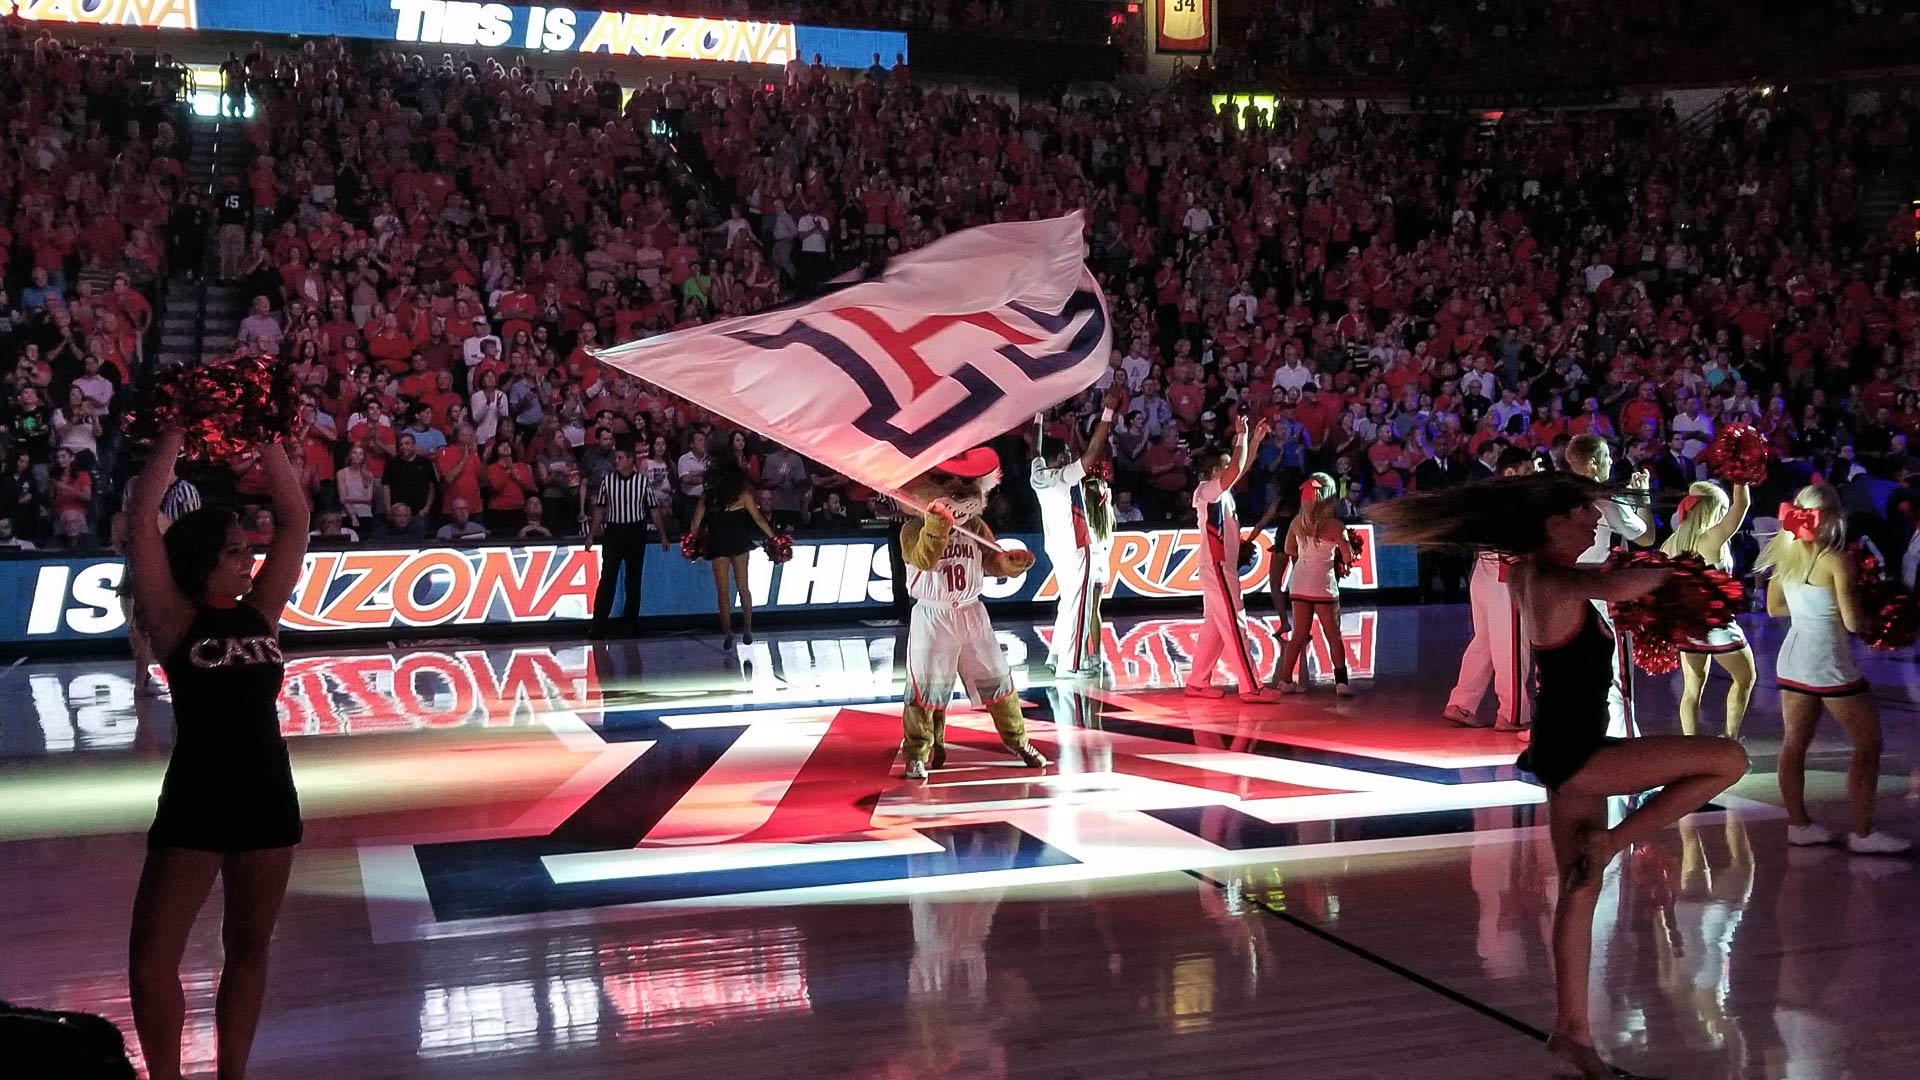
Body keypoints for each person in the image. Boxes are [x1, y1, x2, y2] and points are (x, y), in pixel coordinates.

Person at [1369, 472, 1748, 1079]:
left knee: (1579, 884)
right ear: (1553, 524)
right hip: (1581, 754)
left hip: (1561, 750)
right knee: (1728, 760)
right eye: (1585, 515)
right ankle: (1615, 842)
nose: (1596, 524)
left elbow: (1612, 589)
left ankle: (1572, 1032)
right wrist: (1686, 575)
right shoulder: (1550, 578)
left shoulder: (1531, 574)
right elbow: (1623, 581)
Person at [125, 428, 310, 1080]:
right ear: (203, 560)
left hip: (267, 794)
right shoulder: (174, 619)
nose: (250, 561)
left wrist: (268, 439)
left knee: (249, 951)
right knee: (151, 960)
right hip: (198, 797)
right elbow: (141, 524)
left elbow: (295, 519)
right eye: (235, 552)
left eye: (248, 550)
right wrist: (173, 430)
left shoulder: (261, 612)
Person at [1755, 484, 1910, 854]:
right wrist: (1884, 619)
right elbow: (1855, 623)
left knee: (1794, 744)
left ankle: (1799, 825)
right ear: (1836, 517)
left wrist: (1810, 609)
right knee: (1868, 744)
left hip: (1794, 657)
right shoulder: (1837, 560)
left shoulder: (1786, 553)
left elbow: (1775, 608)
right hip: (1828, 660)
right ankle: (1862, 833)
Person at [897, 447, 1047, 779]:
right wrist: (936, 528)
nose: (957, 492)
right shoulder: (911, 529)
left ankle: (1018, 740)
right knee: (926, 688)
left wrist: (1009, 565)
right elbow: (924, 560)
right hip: (933, 616)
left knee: (998, 679)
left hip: (972, 612)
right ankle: (919, 751)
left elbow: (991, 561)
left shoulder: (976, 525)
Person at [1186, 415, 1284, 703]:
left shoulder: (1221, 489)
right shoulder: (1207, 491)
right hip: (1217, 568)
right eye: (1228, 465)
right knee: (1236, 622)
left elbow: (1242, 467)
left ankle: (1197, 682)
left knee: (1215, 627)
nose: (1234, 470)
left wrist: (1253, 439)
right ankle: (1250, 686)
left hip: (1220, 566)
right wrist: (1241, 437)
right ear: (1216, 470)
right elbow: (1236, 470)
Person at [1030, 386, 1122, 676]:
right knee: (1079, 606)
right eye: (1068, 453)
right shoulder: (1063, 476)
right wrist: (1107, 412)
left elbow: (1035, 447)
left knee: (1068, 602)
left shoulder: (1037, 474)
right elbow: (1093, 452)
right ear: (1060, 458)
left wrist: (1038, 419)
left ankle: (1057, 656)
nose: (1072, 456)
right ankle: (1072, 664)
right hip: (1076, 546)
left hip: (1056, 547)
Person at [1444, 446, 1538, 730]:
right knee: (1512, 645)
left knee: (1484, 642)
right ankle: (1513, 713)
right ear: (1510, 472)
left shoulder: (1487, 496)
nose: (1533, 477)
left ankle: (1461, 703)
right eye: (1528, 472)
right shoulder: (1513, 500)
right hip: (1504, 573)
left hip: (1483, 572)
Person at [1567, 433, 1652, 738]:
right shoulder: (1602, 497)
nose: (1612, 460)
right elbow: (1645, 536)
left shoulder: (1560, 495)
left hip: (1565, 594)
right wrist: (1642, 499)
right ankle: (1629, 755)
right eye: (1606, 456)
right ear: (1592, 464)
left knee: (1572, 675)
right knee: (1618, 678)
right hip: (1602, 597)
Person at [1661, 480, 1755, 739]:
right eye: (1723, 509)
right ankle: (1730, 738)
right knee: (1746, 678)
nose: (1726, 515)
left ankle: (1692, 747)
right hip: (1718, 626)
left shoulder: (1670, 544)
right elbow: (1743, 505)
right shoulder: (1712, 538)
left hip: (1687, 627)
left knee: (1691, 690)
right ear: (1712, 509)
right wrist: (1740, 475)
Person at [1272, 473, 1357, 696]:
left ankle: (1285, 681)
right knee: (1333, 635)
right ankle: (1341, 683)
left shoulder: (1296, 523)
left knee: (1298, 634)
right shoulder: (1336, 526)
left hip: (1299, 584)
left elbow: (1289, 550)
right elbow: (1348, 557)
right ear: (1329, 499)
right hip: (1323, 585)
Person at [685, 455, 777, 650]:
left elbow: (695, 524)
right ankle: (747, 630)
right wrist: (773, 538)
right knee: (744, 587)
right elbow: (759, 519)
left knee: (723, 593)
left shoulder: (708, 497)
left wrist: (691, 544)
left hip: (718, 545)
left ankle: (727, 632)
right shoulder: (743, 495)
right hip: (739, 544)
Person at [589, 446, 649, 639]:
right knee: (607, 579)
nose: (616, 461)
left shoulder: (642, 482)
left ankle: (630, 624)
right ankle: (598, 625)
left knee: (633, 580)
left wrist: (663, 534)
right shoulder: (608, 481)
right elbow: (599, 508)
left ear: (631, 459)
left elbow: (653, 508)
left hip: (635, 530)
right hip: (614, 531)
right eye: (616, 458)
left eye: (620, 457)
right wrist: (592, 534)